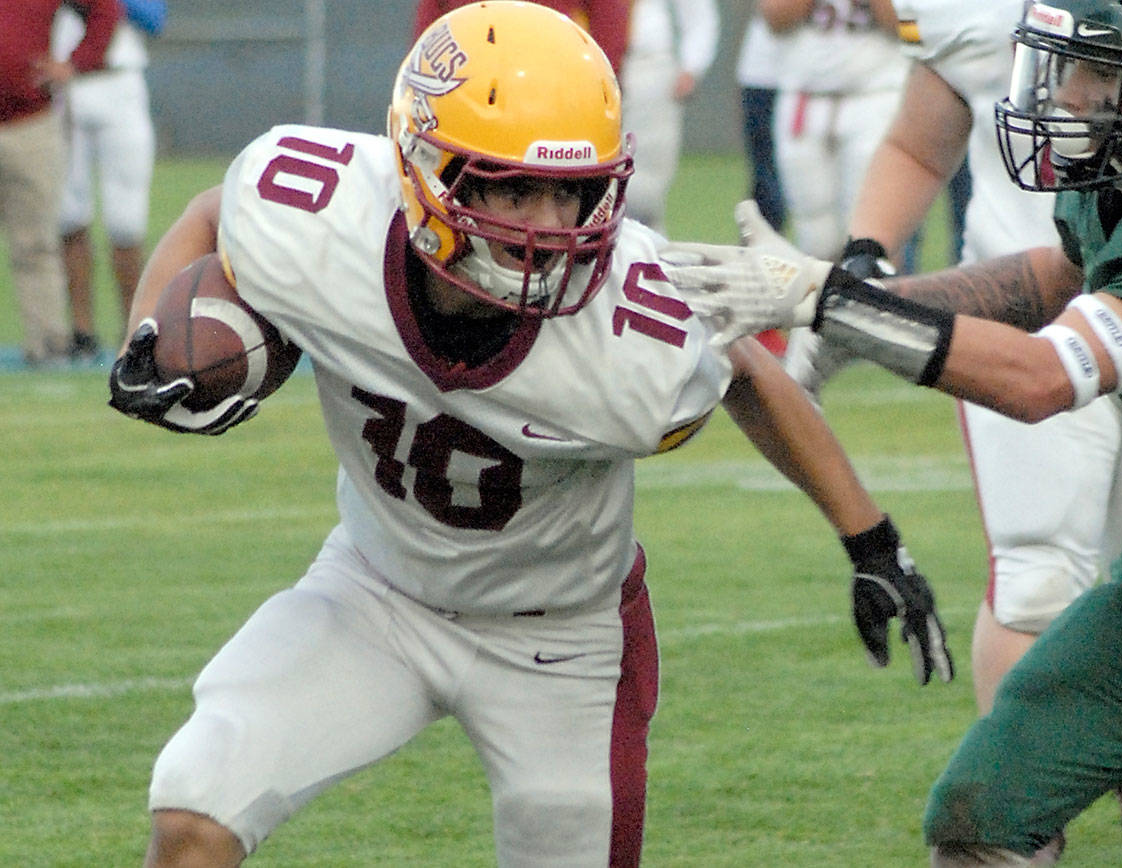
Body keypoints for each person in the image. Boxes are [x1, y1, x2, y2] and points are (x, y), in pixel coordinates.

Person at [107, 4, 953, 865]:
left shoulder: (632, 326)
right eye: (515, 187)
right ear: (428, 171)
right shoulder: (320, 211)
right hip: (373, 590)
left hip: (561, 639)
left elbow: (748, 375)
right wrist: (149, 337)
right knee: (193, 806)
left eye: (574, 191)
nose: (551, 227)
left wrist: (872, 541)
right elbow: (218, 215)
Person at [663, 0, 1122, 863]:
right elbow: (1049, 276)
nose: (1070, 96)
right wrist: (851, 311)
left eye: (1103, 74)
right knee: (981, 814)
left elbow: (1042, 379)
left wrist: (830, 302)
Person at [782, 1, 1122, 857]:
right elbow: (917, 143)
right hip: (1028, 322)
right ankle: (1016, 831)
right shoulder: (971, 13)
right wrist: (867, 258)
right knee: (1042, 571)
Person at [0, 0, 119, 366]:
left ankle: (49, 345)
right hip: (29, 121)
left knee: (36, 243)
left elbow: (105, 9)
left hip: (29, 122)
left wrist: (75, 63)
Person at [54, 0, 167, 362]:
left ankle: (133, 330)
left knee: (126, 222)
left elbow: (154, 17)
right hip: (63, 86)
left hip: (118, 81)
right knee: (68, 217)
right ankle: (81, 331)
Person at [762, 0, 908, 261]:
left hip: (874, 95)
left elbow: (907, 25)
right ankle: (827, 301)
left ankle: (877, 298)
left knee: (873, 233)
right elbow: (775, 18)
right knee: (815, 235)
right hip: (804, 99)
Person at [619, 0, 719, 235]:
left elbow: (700, 14)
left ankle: (649, 256)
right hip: (594, 60)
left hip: (650, 65)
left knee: (645, 189)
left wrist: (692, 66)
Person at [412, 0, 631, 75]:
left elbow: (609, 20)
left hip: (555, 83)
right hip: (469, 79)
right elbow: (431, 24)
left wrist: (598, 81)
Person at [735, 9, 787, 233]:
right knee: (768, 188)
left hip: (868, 82)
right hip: (767, 75)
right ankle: (762, 261)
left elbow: (901, 23)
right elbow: (776, 14)